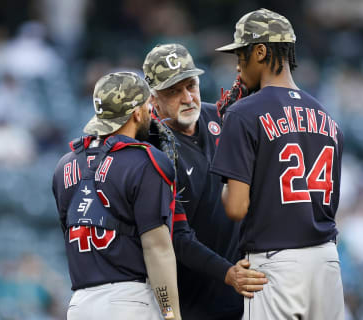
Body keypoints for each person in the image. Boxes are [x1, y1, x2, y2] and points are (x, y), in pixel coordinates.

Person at [211, 8, 345, 320]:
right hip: (326, 261)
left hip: (277, 264)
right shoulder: (327, 116)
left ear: (260, 51)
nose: (237, 64)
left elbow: (235, 208)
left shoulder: (244, 113)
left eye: (241, 54)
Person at [143, 43, 267, 320]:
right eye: (173, 91)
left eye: (191, 86)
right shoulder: (150, 148)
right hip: (189, 300)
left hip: (243, 290)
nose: (187, 98)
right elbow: (174, 237)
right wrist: (226, 273)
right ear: (153, 100)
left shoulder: (223, 117)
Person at [52, 72, 181, 320]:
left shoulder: (63, 165)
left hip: (79, 305)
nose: (150, 111)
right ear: (135, 112)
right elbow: (157, 248)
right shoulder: (145, 161)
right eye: (146, 104)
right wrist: (170, 313)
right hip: (128, 302)